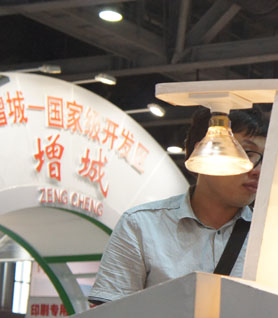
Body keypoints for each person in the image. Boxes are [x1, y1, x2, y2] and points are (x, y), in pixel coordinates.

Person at [88, 107, 267, 304]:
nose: (258, 170)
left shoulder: (271, 237)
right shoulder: (141, 226)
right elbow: (106, 315)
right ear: (204, 151)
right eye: (247, 153)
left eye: (265, 158)